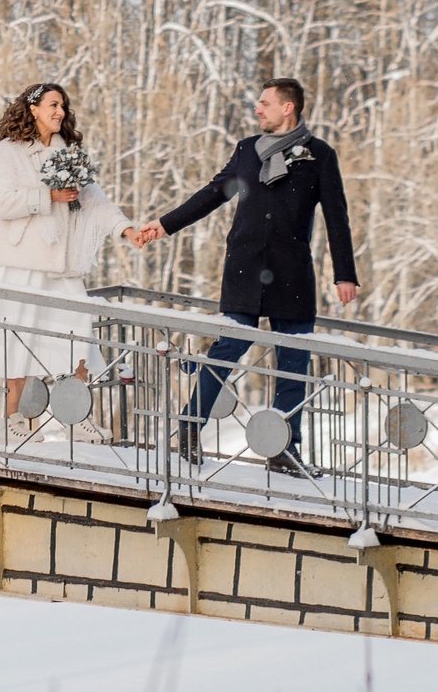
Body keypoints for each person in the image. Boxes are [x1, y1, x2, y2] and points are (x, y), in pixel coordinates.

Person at [128, 78, 357, 476]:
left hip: (292, 272)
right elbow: (213, 193)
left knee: (292, 362)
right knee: (227, 349)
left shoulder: (320, 155)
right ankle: (188, 428)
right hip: (245, 267)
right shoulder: (247, 151)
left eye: (265, 103)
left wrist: (345, 274)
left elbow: (337, 216)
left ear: (288, 108)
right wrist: (164, 226)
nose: (257, 109)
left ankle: (283, 449)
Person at [0, 81, 137, 441]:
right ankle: (12, 423)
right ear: (34, 108)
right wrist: (47, 196)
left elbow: (96, 201)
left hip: (63, 266)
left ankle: (74, 418)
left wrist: (126, 230)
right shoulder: (11, 151)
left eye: (63, 106)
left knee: (79, 338)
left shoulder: (70, 152)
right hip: (24, 264)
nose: (60, 112)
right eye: (53, 105)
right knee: (16, 342)